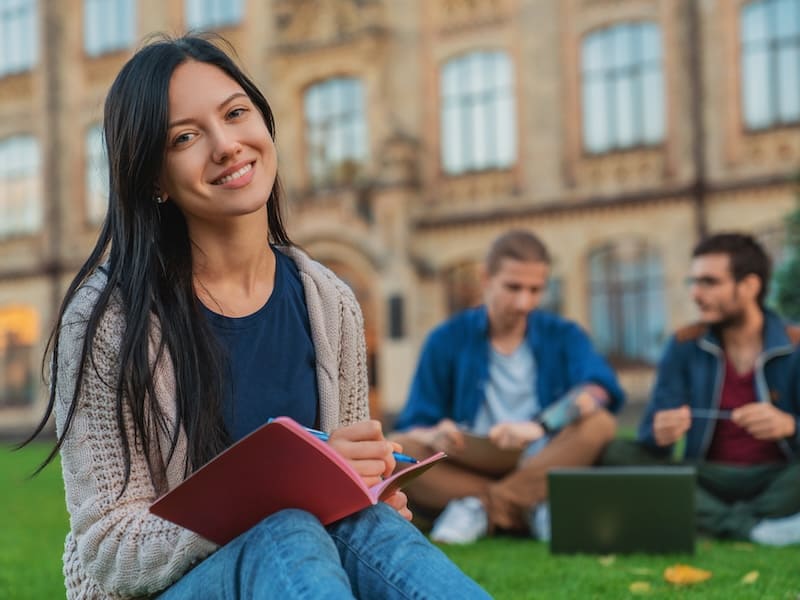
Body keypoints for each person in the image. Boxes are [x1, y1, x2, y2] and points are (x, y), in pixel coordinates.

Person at [23, 34, 489, 599]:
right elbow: (108, 549)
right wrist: (279, 493)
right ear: (152, 178)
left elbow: (345, 492)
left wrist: (366, 490)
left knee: (366, 526)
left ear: (265, 124)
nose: (226, 145)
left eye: (236, 113)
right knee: (286, 527)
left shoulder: (329, 299)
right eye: (186, 137)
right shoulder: (104, 321)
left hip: (297, 575)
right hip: (160, 591)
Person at [390, 230, 625, 544]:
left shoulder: (563, 334)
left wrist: (540, 426)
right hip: (470, 456)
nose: (524, 302)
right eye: (513, 287)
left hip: (544, 455)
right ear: (486, 278)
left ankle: (480, 508)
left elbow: (599, 389)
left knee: (600, 423)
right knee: (398, 451)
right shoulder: (446, 338)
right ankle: (533, 503)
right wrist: (434, 434)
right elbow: (413, 423)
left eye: (535, 290)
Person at [602, 232, 800, 546]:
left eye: (709, 282)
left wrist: (789, 426)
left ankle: (708, 520)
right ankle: (756, 528)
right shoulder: (684, 345)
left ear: (749, 286)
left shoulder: (795, 344)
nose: (695, 294)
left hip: (778, 477)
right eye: (692, 282)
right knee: (615, 453)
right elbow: (650, 442)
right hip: (706, 475)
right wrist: (661, 432)